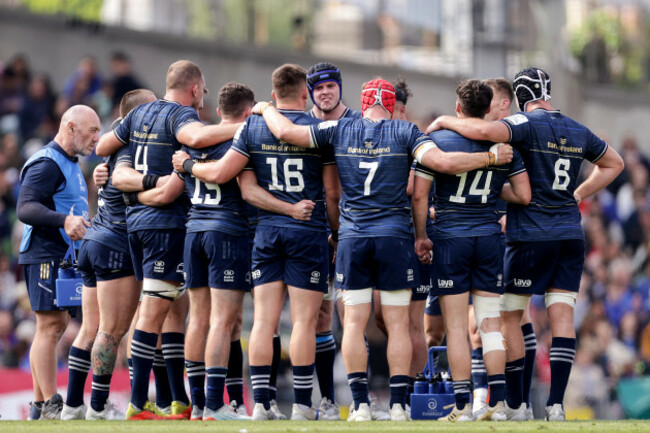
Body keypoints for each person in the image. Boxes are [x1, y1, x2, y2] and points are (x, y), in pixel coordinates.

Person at [254, 78, 514, 422]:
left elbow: (287, 133)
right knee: (398, 324)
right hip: (394, 238)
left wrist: (265, 108)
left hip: (353, 238)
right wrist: (489, 156)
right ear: (391, 105)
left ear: (363, 103)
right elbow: (444, 163)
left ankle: (360, 405)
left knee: (354, 325)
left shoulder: (339, 128)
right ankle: (398, 406)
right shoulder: (406, 133)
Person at [426, 67, 624, 421]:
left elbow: (485, 129)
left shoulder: (524, 124)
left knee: (509, 316)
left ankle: (516, 404)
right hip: (569, 234)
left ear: (520, 96)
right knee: (561, 316)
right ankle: (556, 406)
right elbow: (615, 163)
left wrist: (444, 120)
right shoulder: (577, 128)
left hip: (529, 235)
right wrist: (579, 192)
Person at [172, 64, 341, 421]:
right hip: (307, 232)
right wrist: (330, 228)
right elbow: (331, 192)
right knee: (303, 324)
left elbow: (246, 189)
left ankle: (261, 405)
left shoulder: (253, 126)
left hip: (265, 232)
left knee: (262, 322)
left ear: (273, 91)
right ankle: (300, 406)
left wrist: (186, 165)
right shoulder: (320, 131)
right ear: (304, 93)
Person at [95, 59, 241, 420]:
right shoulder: (178, 116)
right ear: (194, 89)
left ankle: (177, 399)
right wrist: (242, 126)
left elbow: (102, 147)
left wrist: (144, 188)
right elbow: (194, 138)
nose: (202, 99)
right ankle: (135, 402)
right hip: (166, 226)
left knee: (174, 312)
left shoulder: (138, 116)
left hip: (138, 225)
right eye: (202, 91)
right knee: (154, 311)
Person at [134, 82, 257, 421]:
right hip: (227, 234)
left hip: (194, 233)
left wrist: (134, 196)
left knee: (199, 319)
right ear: (247, 113)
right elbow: (235, 182)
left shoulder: (189, 142)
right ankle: (216, 406)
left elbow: (165, 193)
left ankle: (200, 402)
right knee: (223, 320)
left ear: (220, 112)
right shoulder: (242, 141)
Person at [425, 79, 531, 422]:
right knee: (489, 323)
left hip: (451, 238)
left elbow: (417, 192)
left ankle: (462, 407)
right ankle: (496, 405)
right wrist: (493, 192)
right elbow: (523, 195)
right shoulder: (502, 143)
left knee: (456, 328)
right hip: (488, 238)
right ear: (488, 110)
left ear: (458, 108)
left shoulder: (437, 140)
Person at [59, 90, 158, 421]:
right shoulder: (137, 144)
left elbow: (104, 174)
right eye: (153, 106)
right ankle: (98, 406)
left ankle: (74, 404)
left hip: (92, 239)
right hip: (115, 244)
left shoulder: (114, 141)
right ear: (139, 113)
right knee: (111, 331)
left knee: (90, 328)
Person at [17, 104, 99, 420]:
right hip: (43, 252)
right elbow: (25, 208)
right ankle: (51, 401)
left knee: (56, 325)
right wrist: (65, 220)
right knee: (49, 326)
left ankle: (40, 405)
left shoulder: (70, 163)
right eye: (91, 130)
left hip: (61, 256)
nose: (97, 136)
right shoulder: (47, 164)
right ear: (69, 128)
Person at [306, 61, 359, 419]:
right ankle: (326, 401)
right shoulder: (301, 125)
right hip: (312, 233)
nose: (325, 92)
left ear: (340, 87)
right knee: (322, 317)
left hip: (353, 233)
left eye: (330, 86)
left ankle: (362, 400)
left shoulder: (356, 124)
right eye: (318, 87)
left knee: (354, 314)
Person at [372, 77, 429, 402]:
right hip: (384, 239)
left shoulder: (412, 137)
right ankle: (403, 383)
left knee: (411, 324)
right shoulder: (378, 135)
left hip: (411, 239)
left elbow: (412, 189)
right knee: (385, 316)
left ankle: (412, 393)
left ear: (400, 109)